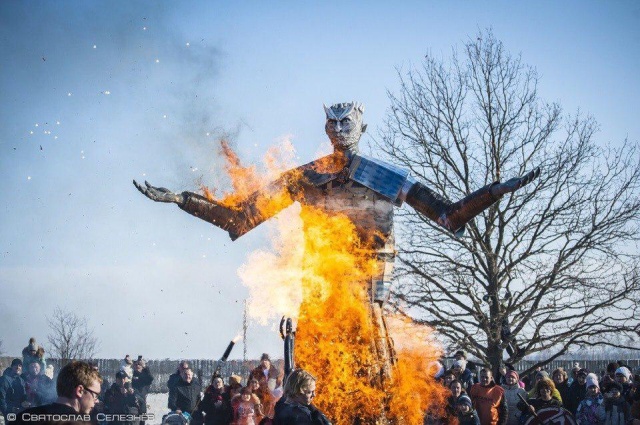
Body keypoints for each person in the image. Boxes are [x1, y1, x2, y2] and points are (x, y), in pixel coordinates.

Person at [135, 101, 539, 416]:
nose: (339, 129)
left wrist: (494, 192)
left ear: (363, 126)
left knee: (375, 396)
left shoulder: (386, 176)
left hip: (368, 302)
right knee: (318, 392)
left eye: (347, 122)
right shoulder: (307, 176)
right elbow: (240, 218)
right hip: (322, 301)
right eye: (332, 122)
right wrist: (182, 200)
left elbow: (448, 215)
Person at [16, 360, 102, 424]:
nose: (97, 400)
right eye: (95, 395)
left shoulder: (23, 417)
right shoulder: (84, 423)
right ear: (80, 391)